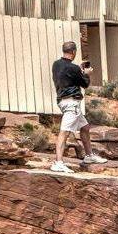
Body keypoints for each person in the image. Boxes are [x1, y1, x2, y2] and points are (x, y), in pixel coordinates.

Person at [48, 41, 105, 174]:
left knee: (84, 128)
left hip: (63, 101)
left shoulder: (56, 65)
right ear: (73, 52)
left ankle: (89, 156)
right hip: (71, 103)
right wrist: (86, 74)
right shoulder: (73, 68)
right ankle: (58, 162)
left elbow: (67, 74)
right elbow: (84, 84)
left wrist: (79, 70)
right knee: (64, 132)